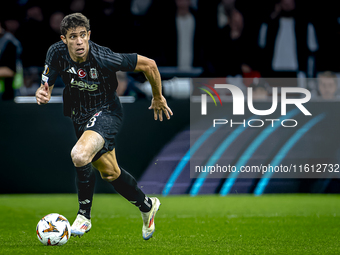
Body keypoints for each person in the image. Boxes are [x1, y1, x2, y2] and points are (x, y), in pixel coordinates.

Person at [35, 13, 173, 240]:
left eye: (82, 35)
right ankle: (147, 206)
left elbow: (150, 65)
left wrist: (158, 97)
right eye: (73, 37)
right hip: (79, 116)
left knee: (79, 155)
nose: (79, 41)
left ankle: (83, 216)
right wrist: (43, 90)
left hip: (107, 112)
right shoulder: (56, 52)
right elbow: (47, 81)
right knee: (110, 173)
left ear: (88, 35)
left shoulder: (103, 57)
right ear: (64, 39)